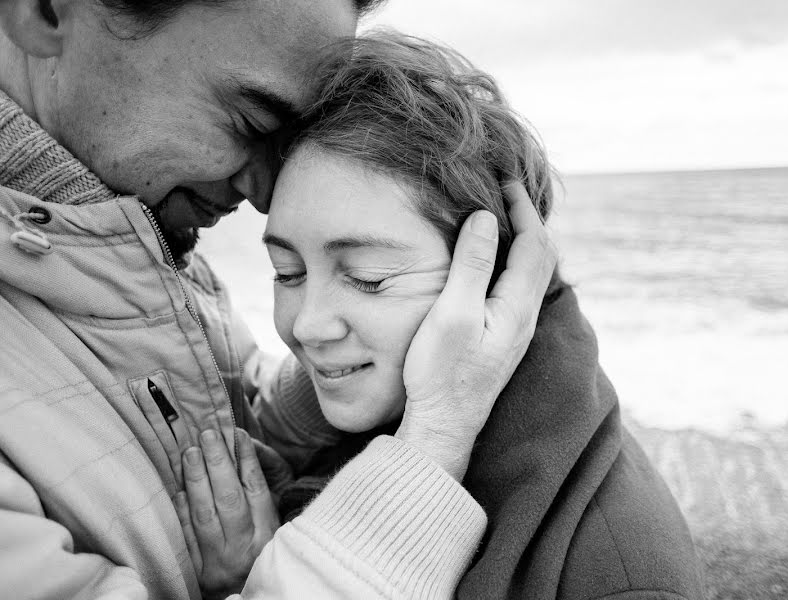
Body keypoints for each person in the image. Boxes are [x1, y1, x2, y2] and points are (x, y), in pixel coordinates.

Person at [0, 1, 557, 599]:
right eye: (249, 121)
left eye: (367, 275)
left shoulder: (129, 232)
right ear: (46, 11)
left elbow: (217, 401)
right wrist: (434, 440)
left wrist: (374, 358)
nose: (267, 193)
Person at [184, 32, 704, 599]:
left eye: (367, 278)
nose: (306, 326)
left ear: (489, 279)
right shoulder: (375, 411)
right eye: (288, 272)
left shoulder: (616, 579)